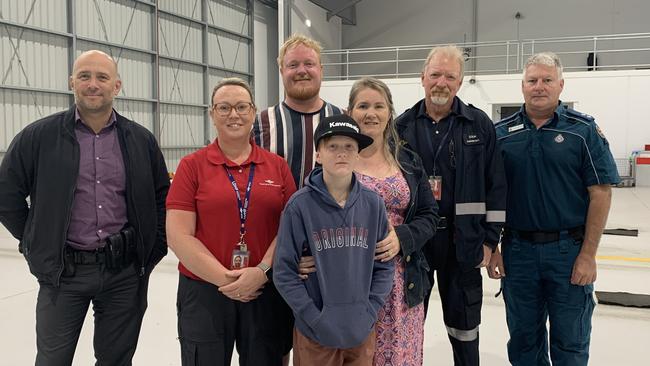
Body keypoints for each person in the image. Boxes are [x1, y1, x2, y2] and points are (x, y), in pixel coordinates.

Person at [0, 50, 169, 365]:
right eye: (85, 76)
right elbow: (6, 193)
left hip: (124, 272)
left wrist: (152, 248)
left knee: (116, 359)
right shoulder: (38, 137)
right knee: (52, 359)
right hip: (63, 273)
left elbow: (162, 198)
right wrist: (36, 239)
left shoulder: (140, 140)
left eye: (102, 77)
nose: (93, 84)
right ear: (71, 83)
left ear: (116, 86)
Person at [491, 52, 620, 366]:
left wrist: (588, 254)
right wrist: (493, 246)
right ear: (522, 86)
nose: (539, 87)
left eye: (547, 80)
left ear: (560, 85)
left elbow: (600, 193)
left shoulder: (583, 131)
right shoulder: (501, 135)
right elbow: (491, 195)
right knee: (523, 341)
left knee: (570, 342)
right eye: (532, 80)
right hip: (517, 252)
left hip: (568, 252)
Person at [166, 77, 297, 366]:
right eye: (224, 107)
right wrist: (227, 280)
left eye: (241, 107)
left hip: (264, 287)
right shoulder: (191, 166)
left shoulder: (277, 166)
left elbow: (290, 230)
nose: (233, 114)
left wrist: (261, 271)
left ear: (253, 113)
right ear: (212, 114)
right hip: (204, 289)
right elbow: (178, 236)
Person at [394, 45, 507, 365]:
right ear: (422, 78)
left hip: (466, 244)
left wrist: (490, 240)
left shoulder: (479, 125)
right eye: (435, 75)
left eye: (450, 76)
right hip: (416, 246)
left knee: (465, 328)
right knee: (408, 325)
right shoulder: (401, 128)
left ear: (459, 83)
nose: (441, 82)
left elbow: (496, 186)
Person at [273, 115, 394, 366]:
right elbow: (284, 273)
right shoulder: (299, 206)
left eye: (349, 146)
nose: (341, 153)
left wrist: (370, 310)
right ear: (318, 154)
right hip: (316, 333)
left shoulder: (373, 204)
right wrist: (313, 317)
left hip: (361, 330)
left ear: (358, 154)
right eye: (332, 147)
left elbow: (384, 265)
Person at [350, 78, 438, 365]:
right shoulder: (337, 160)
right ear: (349, 111)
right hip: (354, 280)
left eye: (378, 106)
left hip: (404, 282)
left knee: (401, 356)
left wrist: (403, 237)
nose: (370, 113)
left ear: (389, 112)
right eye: (362, 106)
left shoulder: (408, 162)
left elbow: (429, 215)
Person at [253, 34, 343, 189]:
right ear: (281, 71)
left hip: (333, 213)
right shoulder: (261, 122)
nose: (302, 71)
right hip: (277, 213)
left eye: (309, 64)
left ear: (321, 70)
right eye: (293, 65)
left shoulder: (342, 119)